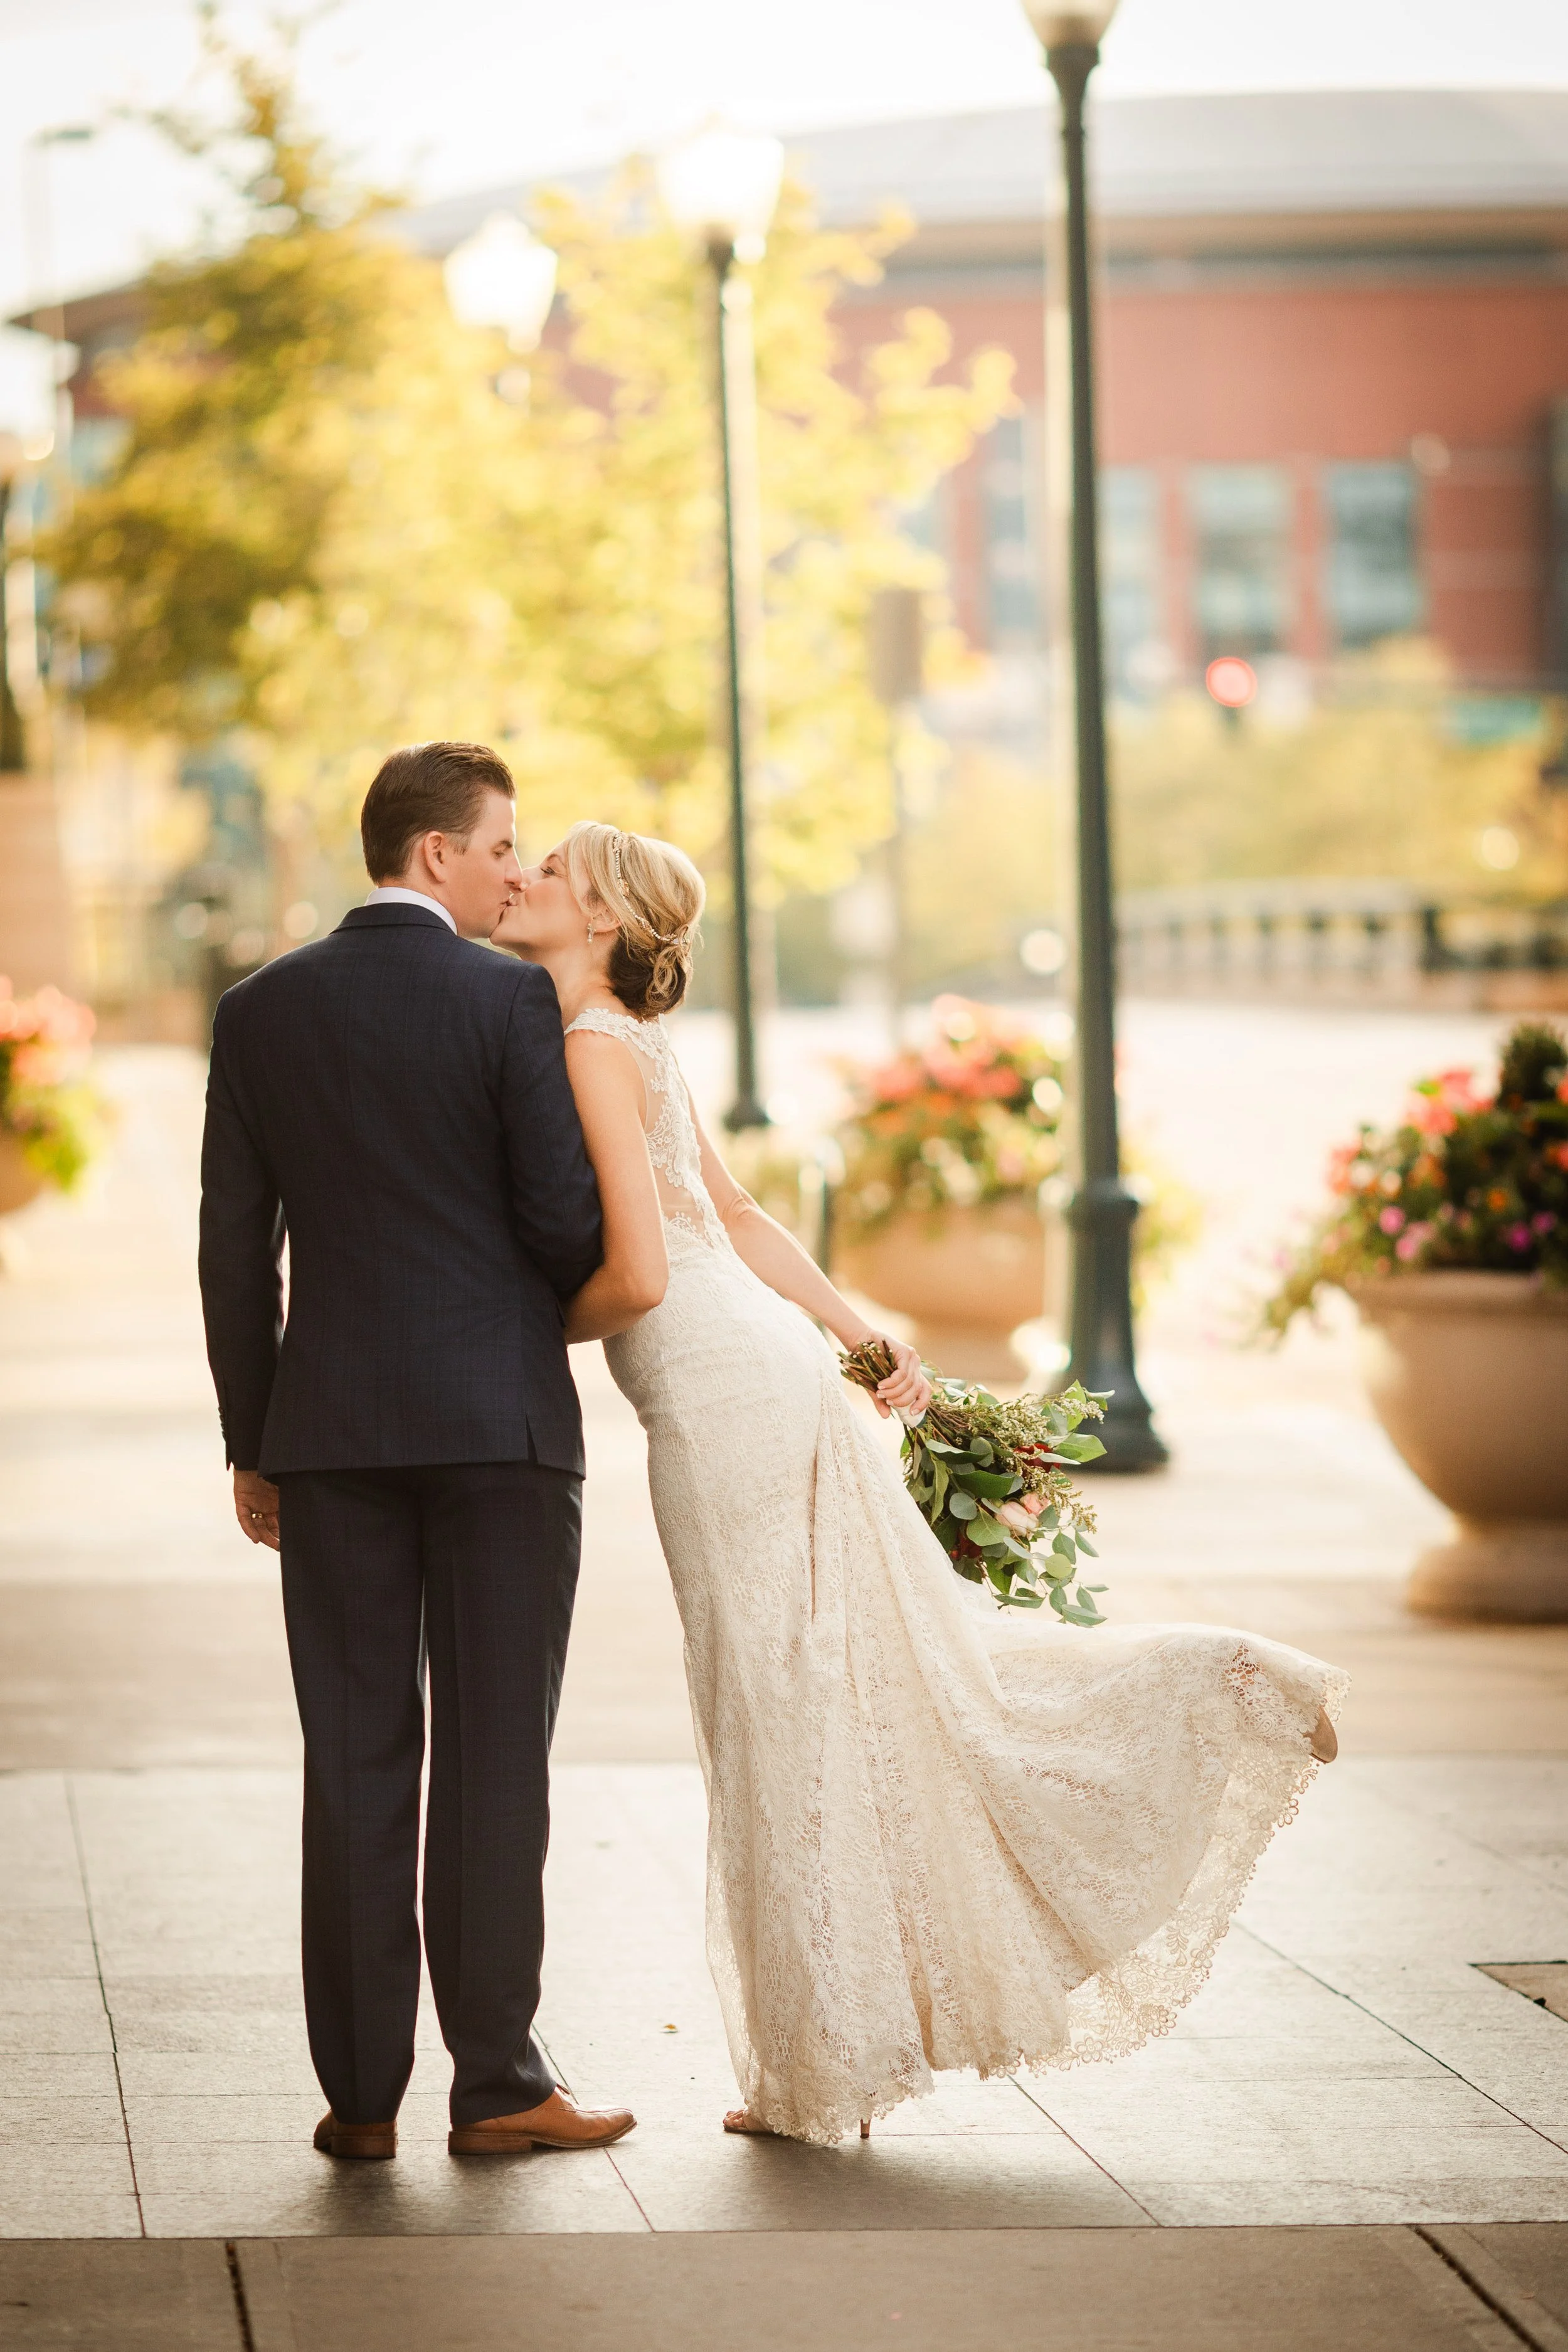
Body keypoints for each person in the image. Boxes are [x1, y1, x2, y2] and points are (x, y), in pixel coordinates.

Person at [494, 819, 1345, 2148]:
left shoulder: (589, 1044)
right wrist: (867, 1343)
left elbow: (648, 1267)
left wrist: (497, 1328)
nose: (525, 879)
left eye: (551, 868)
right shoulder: (629, 1040)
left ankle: (822, 2064)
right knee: (864, 1674)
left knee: (775, 1701)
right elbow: (744, 1217)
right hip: (759, 1368)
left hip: (715, 1390)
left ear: (601, 916)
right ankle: (827, 2049)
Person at [198, 743, 644, 2163]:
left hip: (325, 1439)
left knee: (354, 1756)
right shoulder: (509, 997)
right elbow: (569, 1229)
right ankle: (499, 2084)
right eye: (503, 844)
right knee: (497, 1757)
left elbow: (230, 1259)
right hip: (502, 1433)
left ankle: (361, 2098)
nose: (518, 870)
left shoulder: (258, 1011)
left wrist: (251, 1441)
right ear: (436, 853)